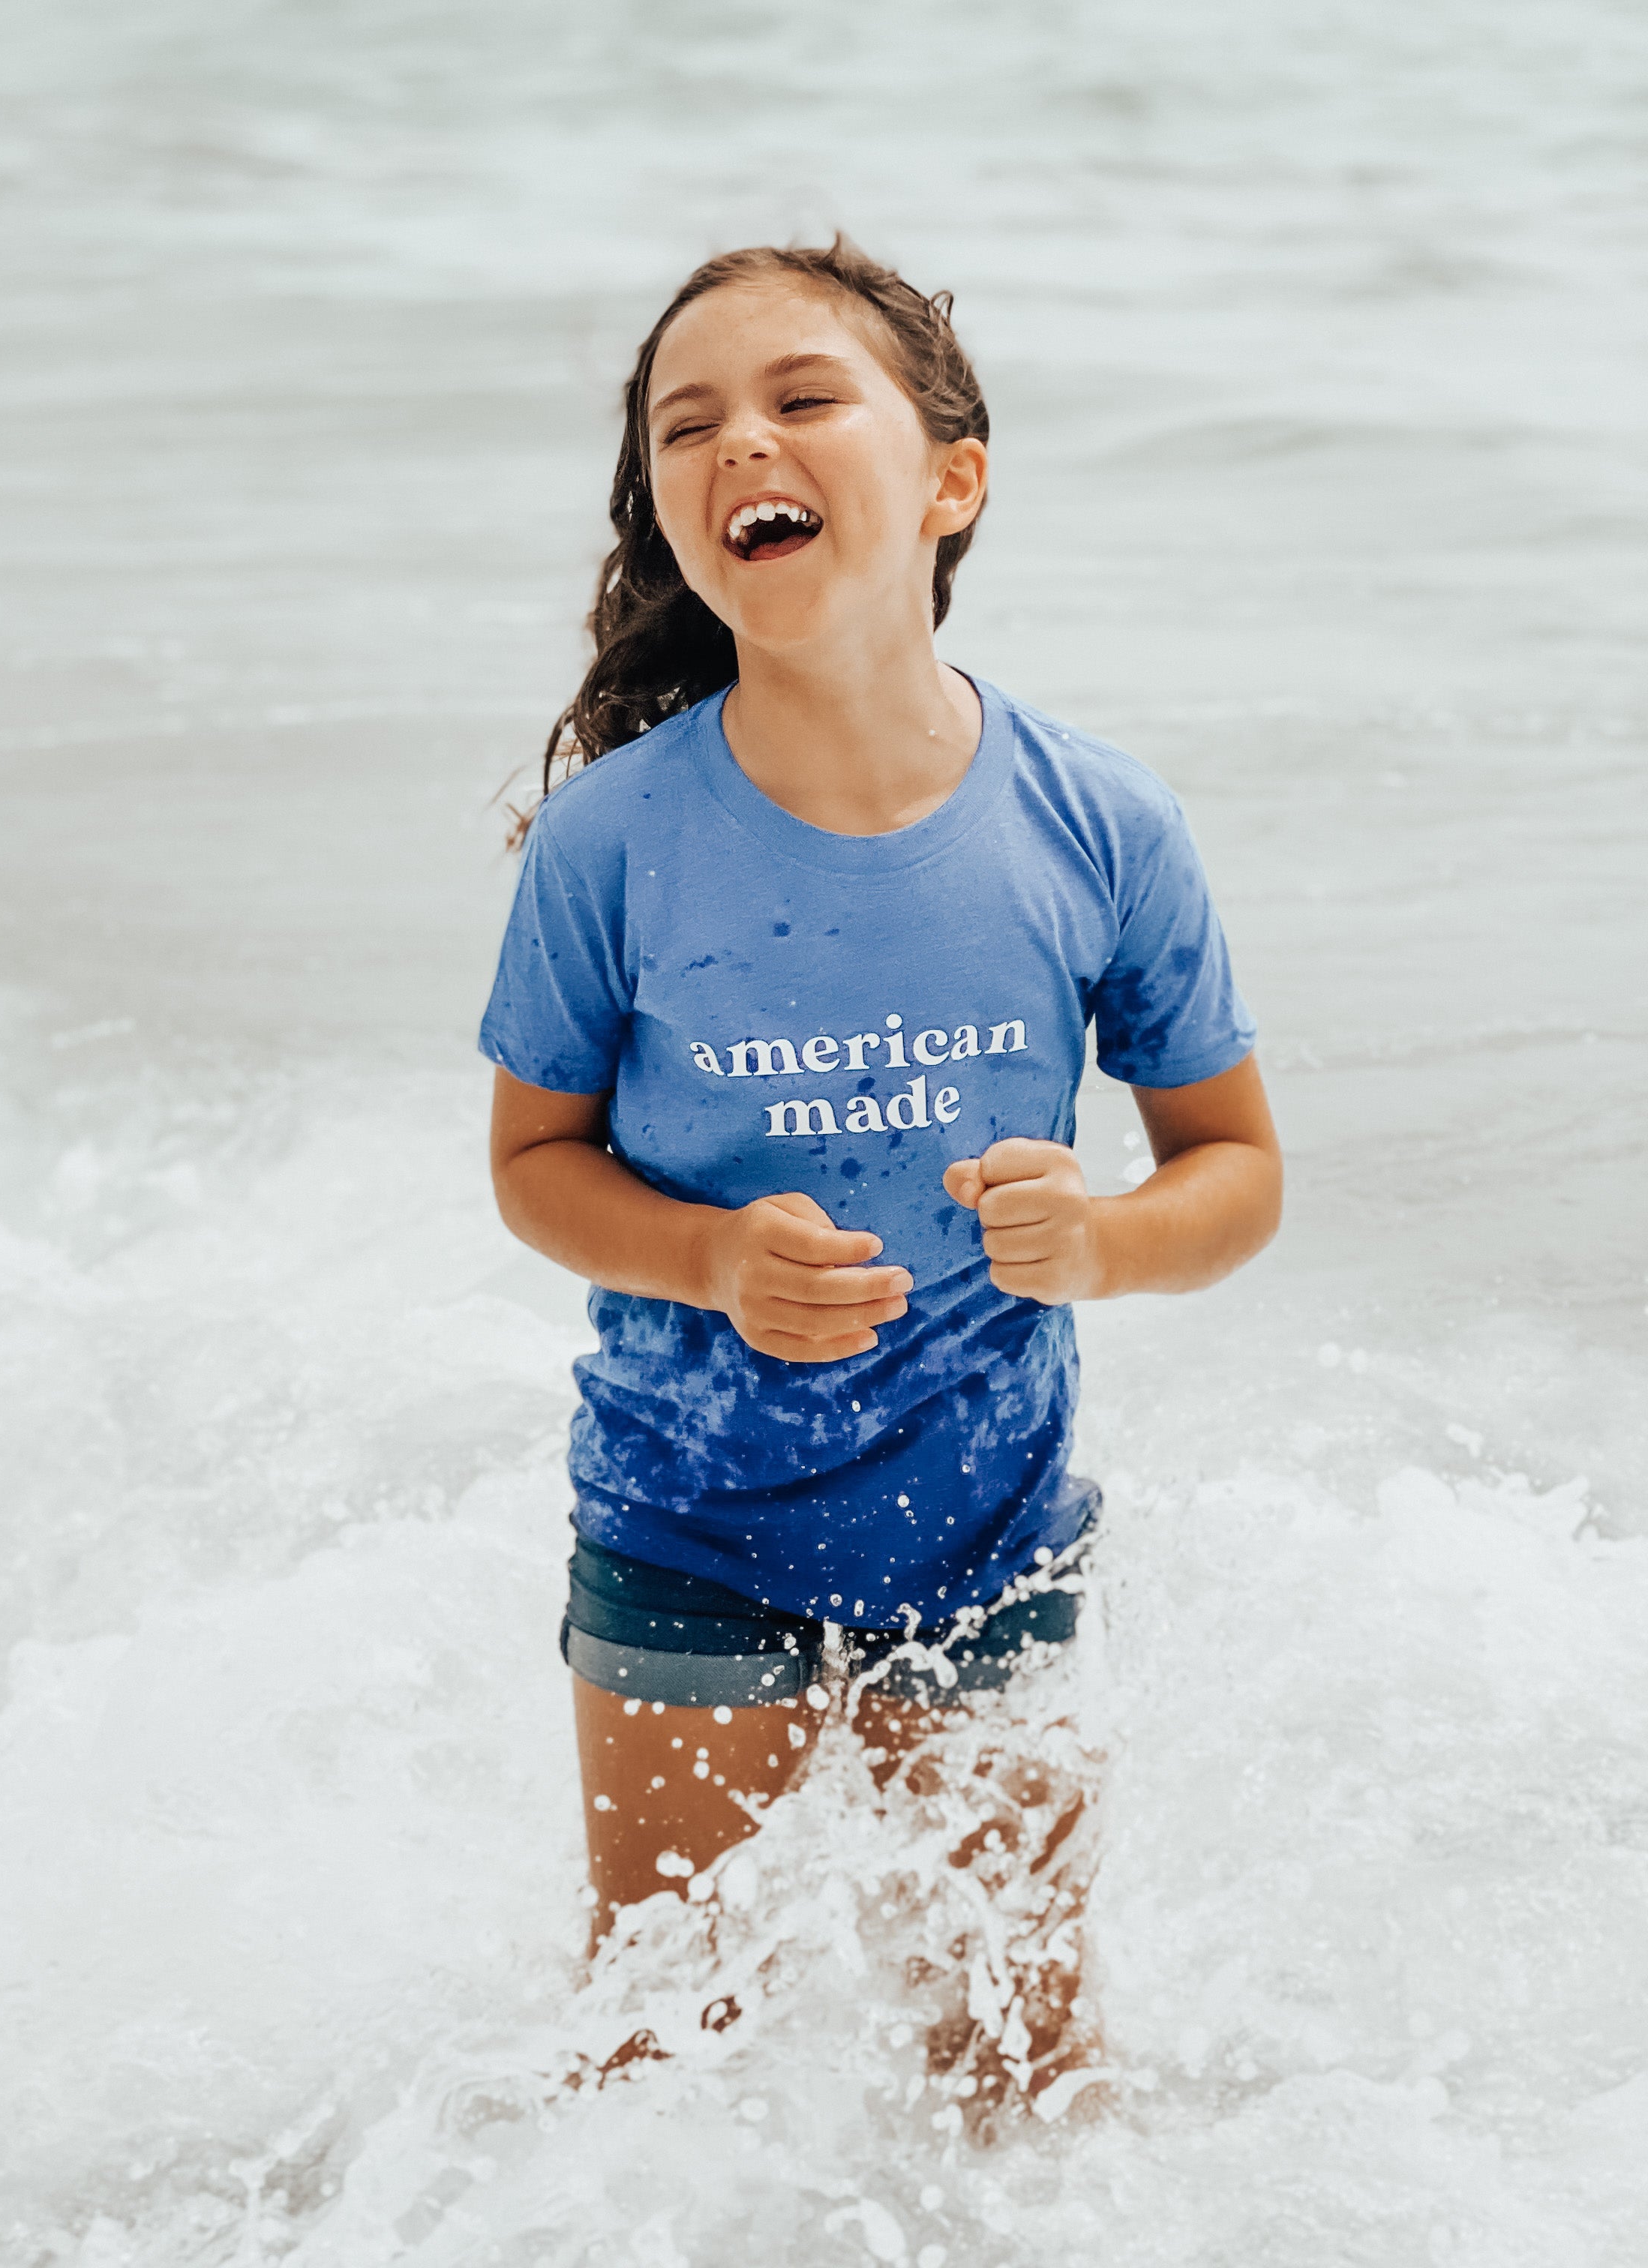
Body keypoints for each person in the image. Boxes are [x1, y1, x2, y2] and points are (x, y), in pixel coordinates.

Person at [479, 239, 1282, 2108]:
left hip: (985, 1535)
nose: (739, 439)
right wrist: (703, 1259)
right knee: (661, 2065)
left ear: (953, 479)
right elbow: (533, 1167)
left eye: (799, 396)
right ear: (679, 521)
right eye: (689, 426)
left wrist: (1102, 1242)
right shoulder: (613, 844)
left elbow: (1233, 1169)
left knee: (1016, 2077)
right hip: (689, 1525)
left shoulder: (1098, 821)